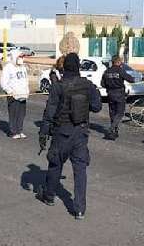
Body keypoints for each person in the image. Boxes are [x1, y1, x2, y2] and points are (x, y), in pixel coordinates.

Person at [38, 53, 102, 220]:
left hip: (62, 132)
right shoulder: (87, 85)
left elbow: (50, 111)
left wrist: (43, 132)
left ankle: (49, 196)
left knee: (55, 163)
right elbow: (96, 107)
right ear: (78, 67)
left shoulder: (58, 86)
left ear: (65, 67)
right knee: (80, 170)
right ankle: (79, 209)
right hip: (80, 133)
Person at [101, 55, 135, 140]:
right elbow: (131, 79)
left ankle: (114, 132)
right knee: (120, 113)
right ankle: (112, 128)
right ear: (119, 62)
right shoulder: (120, 70)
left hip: (110, 94)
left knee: (112, 113)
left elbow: (102, 84)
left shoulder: (106, 71)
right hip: (119, 94)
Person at [1, 49, 30, 139]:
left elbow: (26, 80)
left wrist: (27, 91)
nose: (21, 58)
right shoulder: (8, 68)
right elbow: (3, 82)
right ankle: (13, 132)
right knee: (14, 113)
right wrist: (9, 91)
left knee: (21, 113)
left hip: (23, 95)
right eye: (20, 57)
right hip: (13, 95)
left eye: (22, 57)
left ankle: (19, 130)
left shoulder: (23, 67)